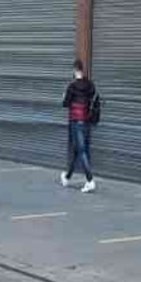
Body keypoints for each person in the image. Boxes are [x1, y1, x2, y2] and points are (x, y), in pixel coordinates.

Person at [60, 59, 97, 193]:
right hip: (86, 121)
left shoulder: (72, 86)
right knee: (77, 150)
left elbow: (65, 103)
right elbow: (94, 99)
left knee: (81, 150)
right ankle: (67, 177)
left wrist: (64, 96)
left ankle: (90, 180)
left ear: (75, 70)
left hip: (76, 121)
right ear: (82, 69)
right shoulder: (90, 84)